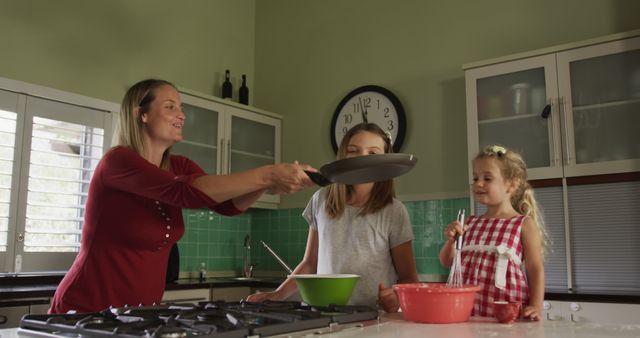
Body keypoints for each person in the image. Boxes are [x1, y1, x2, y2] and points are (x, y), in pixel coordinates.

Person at [49, 79, 315, 313]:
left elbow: (227, 206)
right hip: (85, 310)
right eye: (170, 106)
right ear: (140, 113)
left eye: (181, 107)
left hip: (138, 316)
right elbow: (187, 193)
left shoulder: (180, 167)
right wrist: (269, 175)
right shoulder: (117, 162)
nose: (182, 114)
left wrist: (265, 186)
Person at [246, 123, 419, 312]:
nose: (362, 159)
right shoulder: (321, 199)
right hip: (323, 313)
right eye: (354, 151)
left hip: (372, 316)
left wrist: (395, 297)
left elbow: (409, 278)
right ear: (343, 156)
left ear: (385, 162)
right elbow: (310, 263)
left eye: (372, 153)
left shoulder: (394, 211)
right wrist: (277, 295)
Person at [439, 145, 547, 320]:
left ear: (511, 184)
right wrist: (451, 241)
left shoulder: (523, 224)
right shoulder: (470, 223)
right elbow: (446, 261)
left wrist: (535, 306)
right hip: (468, 313)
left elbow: (535, 269)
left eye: (487, 178)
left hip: (506, 315)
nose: (478, 183)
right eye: (475, 178)